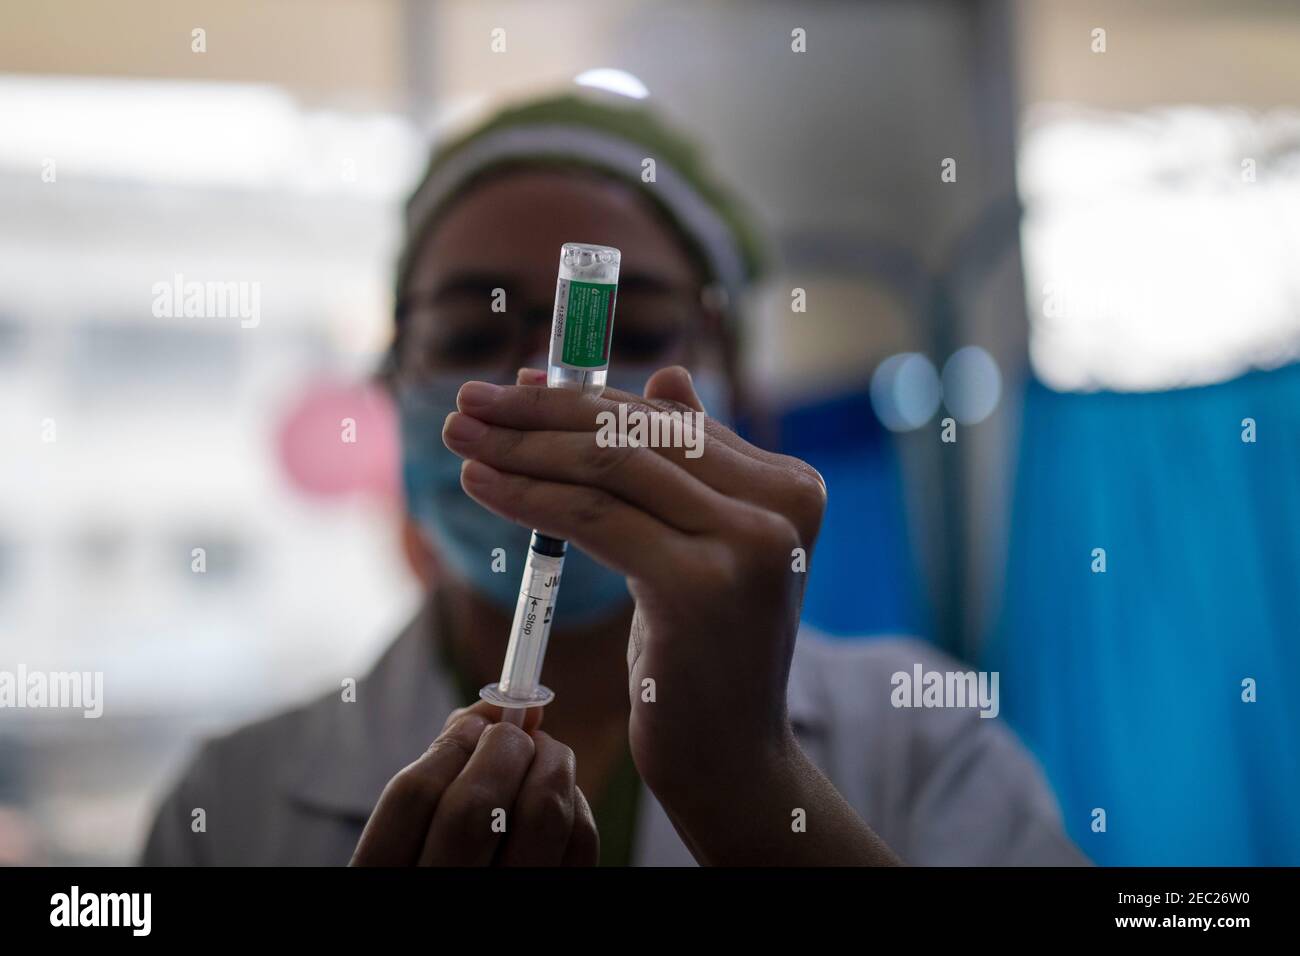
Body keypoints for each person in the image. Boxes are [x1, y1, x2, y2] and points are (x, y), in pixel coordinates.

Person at [141, 91, 1086, 866]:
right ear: (389, 388)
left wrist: (751, 790)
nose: (546, 388)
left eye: (628, 335)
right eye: (473, 335)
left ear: (738, 395)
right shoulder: (228, 803)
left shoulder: (921, 741)